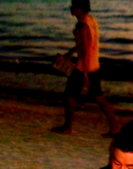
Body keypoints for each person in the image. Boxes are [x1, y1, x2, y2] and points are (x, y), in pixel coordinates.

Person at [50, 0, 118, 136]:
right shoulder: (90, 20)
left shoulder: (82, 26)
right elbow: (86, 44)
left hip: (84, 67)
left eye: (73, 6)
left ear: (79, 9)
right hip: (93, 64)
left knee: (69, 96)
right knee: (99, 97)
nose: (71, 8)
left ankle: (67, 127)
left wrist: (85, 75)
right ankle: (115, 127)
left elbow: (85, 50)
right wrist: (71, 53)